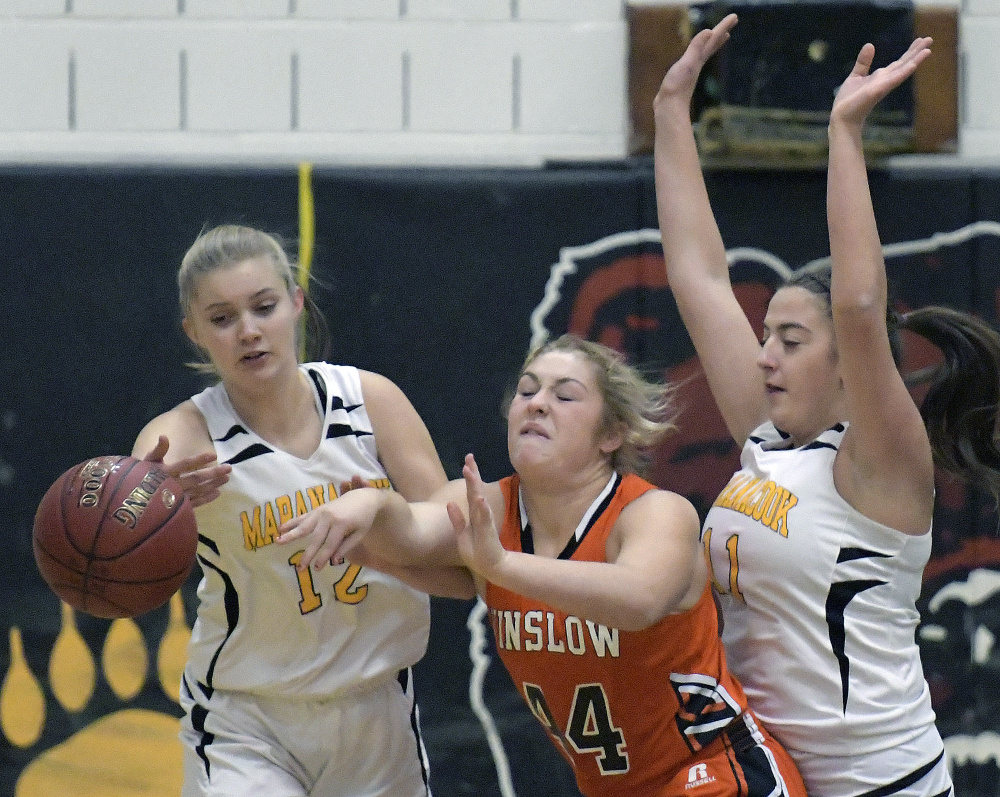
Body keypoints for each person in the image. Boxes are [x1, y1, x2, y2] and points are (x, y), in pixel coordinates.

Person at [654, 16, 1000, 797]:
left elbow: (857, 301)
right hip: (775, 780)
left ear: (849, 360)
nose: (764, 353)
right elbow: (700, 277)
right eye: (765, 335)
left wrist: (845, 132)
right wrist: (671, 112)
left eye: (789, 339)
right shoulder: (769, 439)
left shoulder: (880, 464)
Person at [278, 333, 808, 797]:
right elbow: (413, 528)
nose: (536, 404)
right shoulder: (491, 507)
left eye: (565, 395)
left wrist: (502, 566)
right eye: (527, 391)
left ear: (610, 435)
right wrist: (370, 506)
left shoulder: (653, 513)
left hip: (717, 772)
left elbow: (638, 599)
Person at [131, 224, 451, 797]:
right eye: (222, 319)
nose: (249, 331)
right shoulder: (185, 435)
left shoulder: (371, 401)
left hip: (376, 709)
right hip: (247, 719)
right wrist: (154, 502)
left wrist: (382, 520)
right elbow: (134, 508)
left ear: (297, 303)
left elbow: (462, 563)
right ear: (194, 333)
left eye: (264, 306)